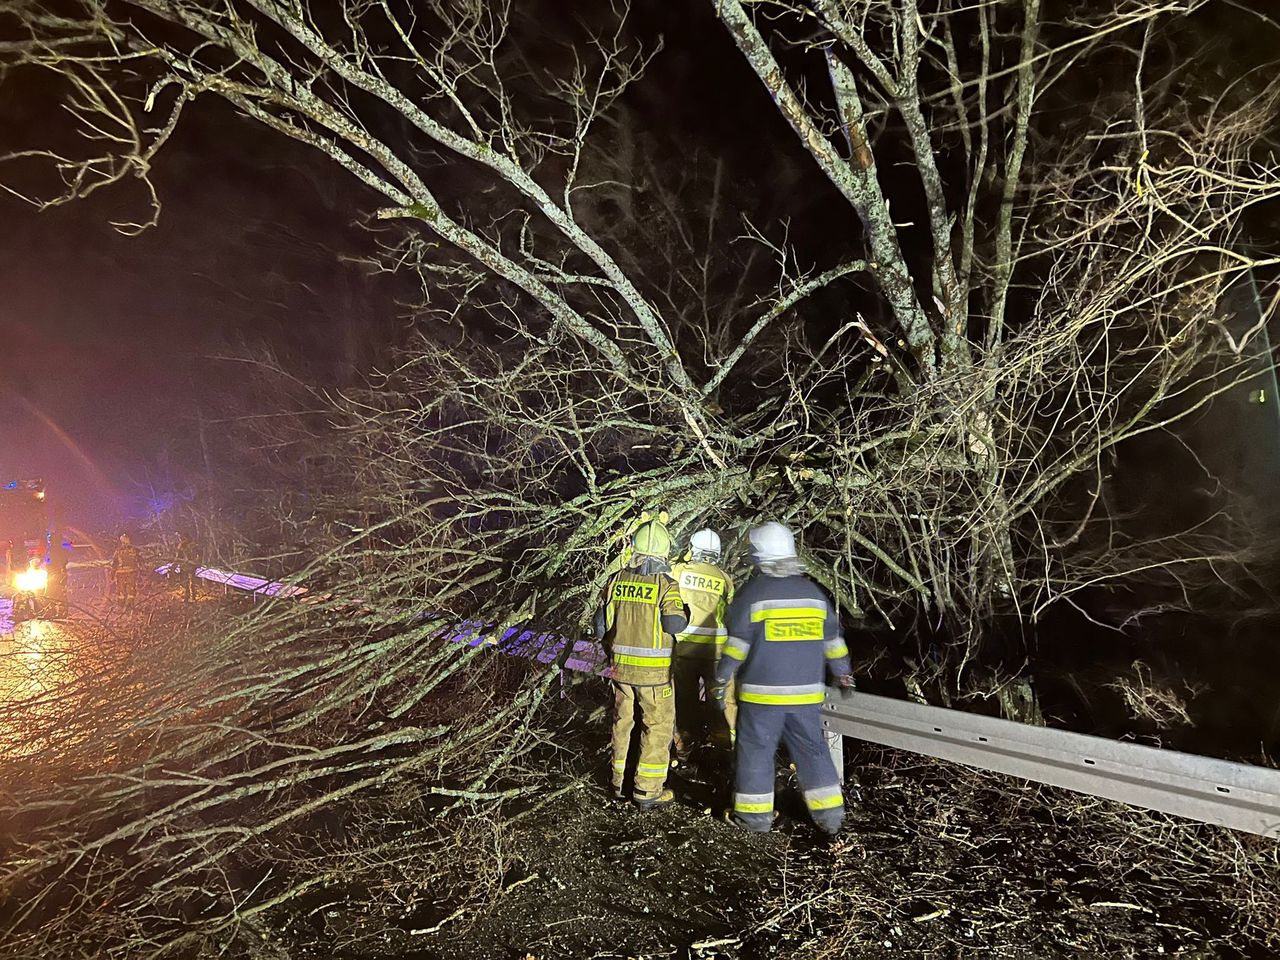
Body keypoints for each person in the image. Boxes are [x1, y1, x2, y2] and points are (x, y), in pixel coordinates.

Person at [714, 522, 853, 836]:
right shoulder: (814, 595)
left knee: (756, 752)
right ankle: (831, 819)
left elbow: (736, 646)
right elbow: (833, 642)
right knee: (813, 752)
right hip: (806, 696)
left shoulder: (753, 594)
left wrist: (720, 678)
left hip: (762, 698)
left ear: (759, 557)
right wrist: (844, 675)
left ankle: (755, 820)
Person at [594, 517, 688, 810]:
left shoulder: (616, 580)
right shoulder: (665, 585)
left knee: (622, 724)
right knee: (657, 729)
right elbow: (674, 623)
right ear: (664, 551)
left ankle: (617, 783)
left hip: (620, 671)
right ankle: (647, 791)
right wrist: (685, 613)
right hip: (655, 677)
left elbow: (600, 627)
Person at [670, 528, 736, 759]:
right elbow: (731, 613)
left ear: (692, 549)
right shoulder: (725, 579)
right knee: (721, 701)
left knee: (684, 700)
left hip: (684, 648)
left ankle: (685, 745)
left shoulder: (679, 571)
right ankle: (725, 746)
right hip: (716, 651)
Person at [111, 533, 140, 609]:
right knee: (129, 589)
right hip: (130, 572)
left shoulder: (118, 551)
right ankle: (128, 607)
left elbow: (114, 563)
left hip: (122, 572)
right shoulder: (134, 550)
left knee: (122, 590)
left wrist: (112, 573)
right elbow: (139, 561)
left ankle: (123, 607)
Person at [175, 533, 199, 603]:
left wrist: (194, 562)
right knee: (185, 583)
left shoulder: (192, 546)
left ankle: (193, 597)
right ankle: (186, 596)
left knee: (192, 582)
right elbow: (178, 557)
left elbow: (196, 556)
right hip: (184, 567)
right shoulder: (181, 546)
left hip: (191, 567)